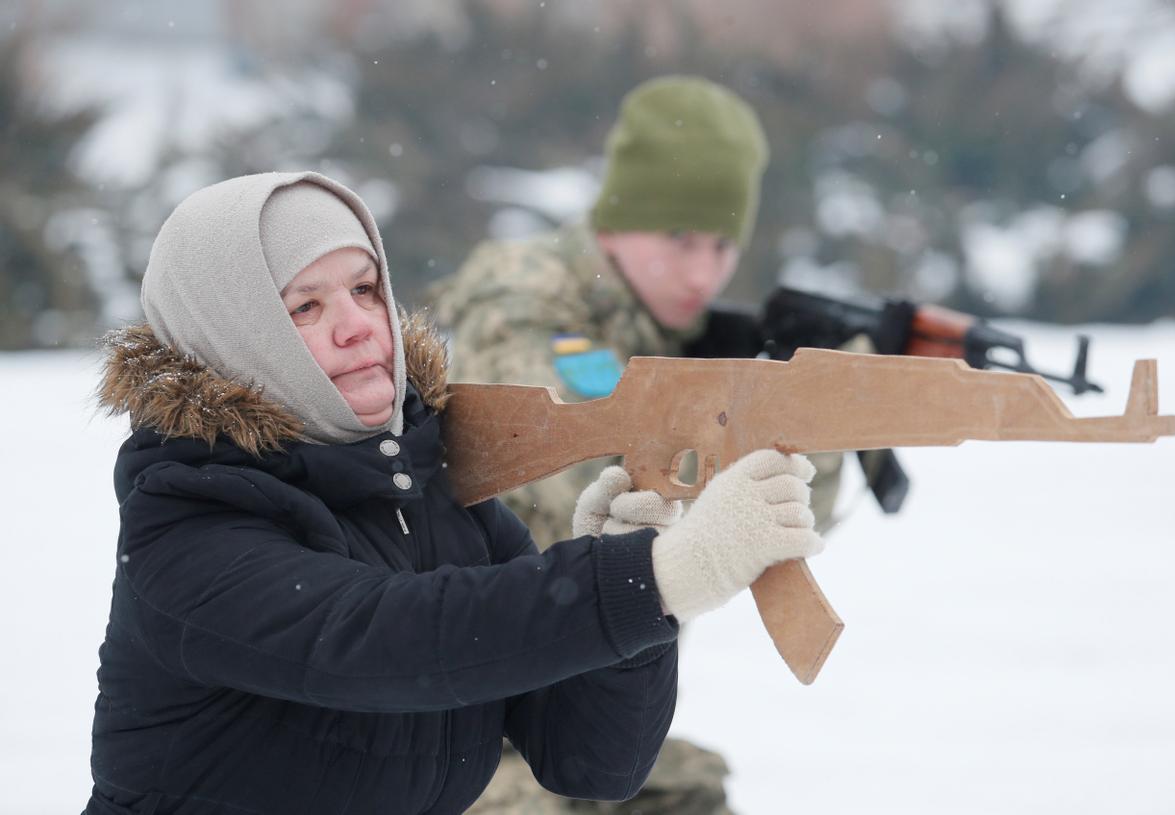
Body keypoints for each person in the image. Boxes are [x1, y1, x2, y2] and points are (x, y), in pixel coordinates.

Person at [87, 170, 825, 814]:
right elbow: (381, 640)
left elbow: (591, 761)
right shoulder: (188, 523)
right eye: (303, 307)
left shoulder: (430, 489)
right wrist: (658, 576)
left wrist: (632, 596)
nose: (357, 326)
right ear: (230, 334)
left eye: (364, 287)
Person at [436, 76, 844, 813]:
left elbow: (775, 532)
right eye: (677, 238)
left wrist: (828, 433)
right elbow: (597, 479)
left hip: (574, 719)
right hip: (458, 725)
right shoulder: (525, 298)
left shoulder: (663, 335)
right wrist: (751, 423)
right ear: (616, 220)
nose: (702, 271)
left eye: (722, 244)